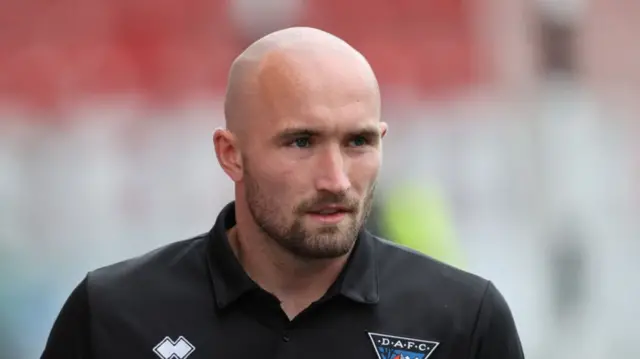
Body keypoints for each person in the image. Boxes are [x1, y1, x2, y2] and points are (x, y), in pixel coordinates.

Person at [41, 27, 524, 359]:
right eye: (301, 142)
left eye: (358, 142)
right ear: (231, 154)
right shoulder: (112, 313)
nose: (335, 179)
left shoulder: (463, 319)